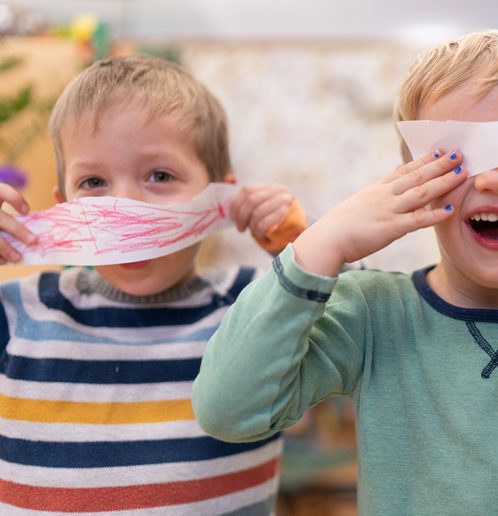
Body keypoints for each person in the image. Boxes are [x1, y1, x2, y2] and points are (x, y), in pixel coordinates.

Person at [193, 30, 498, 515]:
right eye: (457, 157)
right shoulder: (371, 314)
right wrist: (324, 242)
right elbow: (229, 410)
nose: (496, 178)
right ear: (414, 182)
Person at [0, 54, 306, 514]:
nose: (124, 208)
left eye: (159, 176)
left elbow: (364, 320)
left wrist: (304, 246)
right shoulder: (20, 312)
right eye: (94, 181)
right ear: (63, 207)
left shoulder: (257, 306)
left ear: (219, 198)